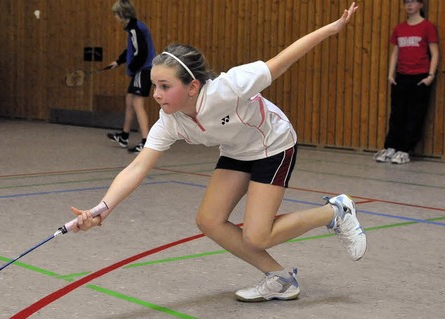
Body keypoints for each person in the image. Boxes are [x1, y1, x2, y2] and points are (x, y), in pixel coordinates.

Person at [72, 3, 365, 302]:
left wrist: (332, 28)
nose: (156, 94)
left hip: (273, 143)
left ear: (192, 86)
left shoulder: (229, 87)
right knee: (209, 220)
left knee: (257, 235)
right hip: (238, 149)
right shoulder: (170, 121)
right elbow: (137, 167)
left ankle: (337, 211)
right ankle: (280, 279)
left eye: (164, 85)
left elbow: (284, 58)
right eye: (154, 85)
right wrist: (102, 208)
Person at [375, 0, 439, 164]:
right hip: (401, 76)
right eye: (406, 2)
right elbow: (395, 53)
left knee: (414, 114)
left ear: (421, 5)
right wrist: (391, 75)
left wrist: (430, 76)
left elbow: (434, 52)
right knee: (396, 114)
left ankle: (405, 149)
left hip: (420, 77)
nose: (409, 5)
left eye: (413, 2)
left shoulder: (427, 27)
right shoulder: (400, 28)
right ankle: (391, 147)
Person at [105, 0, 156, 153]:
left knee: (137, 105)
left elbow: (142, 53)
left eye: (115, 13)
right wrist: (118, 61)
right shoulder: (133, 28)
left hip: (144, 69)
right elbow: (131, 49)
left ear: (122, 14)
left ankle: (146, 142)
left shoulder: (136, 29)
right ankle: (124, 136)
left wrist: (132, 68)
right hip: (140, 70)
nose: (114, 16)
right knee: (129, 101)